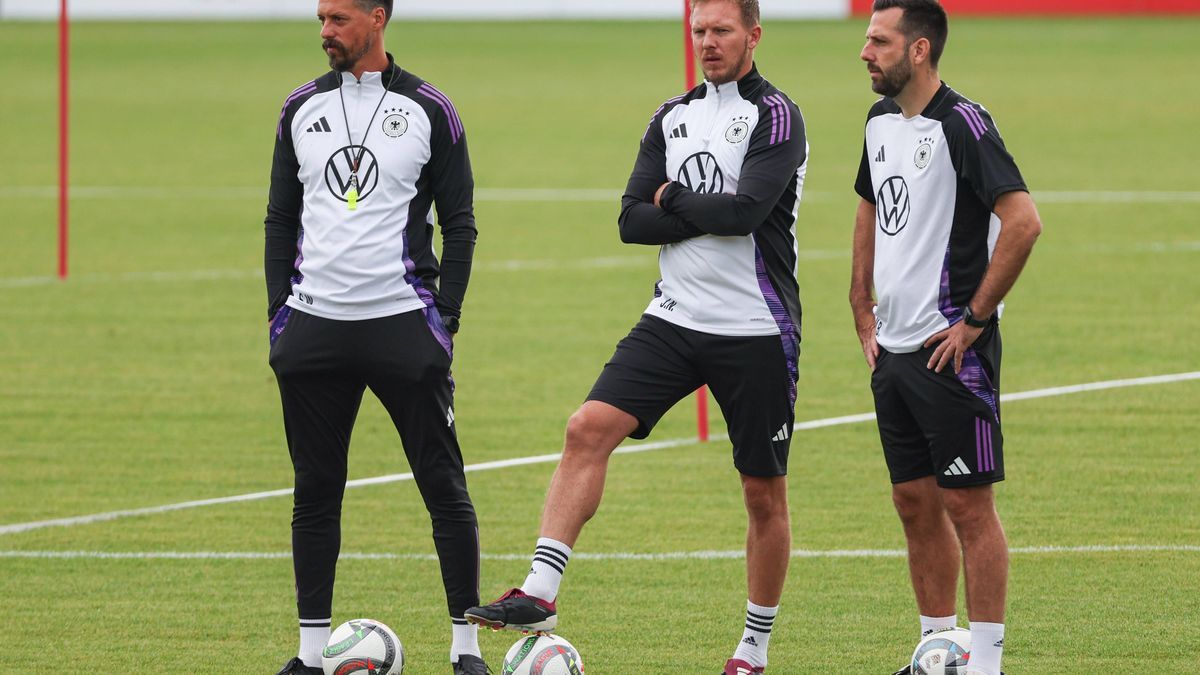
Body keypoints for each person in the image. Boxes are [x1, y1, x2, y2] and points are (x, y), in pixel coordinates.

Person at [464, 1, 807, 672]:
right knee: (586, 427)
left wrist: (673, 199)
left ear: (754, 34)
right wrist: (688, 207)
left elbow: (745, 214)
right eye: (699, 30)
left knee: (762, 492)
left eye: (722, 30)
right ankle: (541, 590)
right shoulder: (670, 118)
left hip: (756, 328)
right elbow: (628, 220)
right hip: (672, 319)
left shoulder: (777, 116)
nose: (707, 42)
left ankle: (753, 649)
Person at [264, 0, 489, 673]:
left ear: (378, 18)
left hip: (403, 329)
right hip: (313, 331)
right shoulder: (298, 108)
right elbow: (279, 220)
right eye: (321, 18)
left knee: (443, 486)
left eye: (339, 18)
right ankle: (309, 654)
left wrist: (442, 321)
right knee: (315, 490)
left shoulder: (430, 110)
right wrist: (280, 317)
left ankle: (466, 647)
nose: (325, 31)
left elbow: (462, 223)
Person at [849, 2, 1042, 674]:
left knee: (968, 504)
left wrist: (977, 318)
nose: (866, 52)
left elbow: (1022, 222)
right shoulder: (878, 121)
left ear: (920, 49)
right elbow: (871, 202)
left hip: (950, 351)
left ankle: (983, 663)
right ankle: (935, 648)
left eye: (879, 41)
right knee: (913, 502)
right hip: (893, 351)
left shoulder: (963, 123)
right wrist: (859, 299)